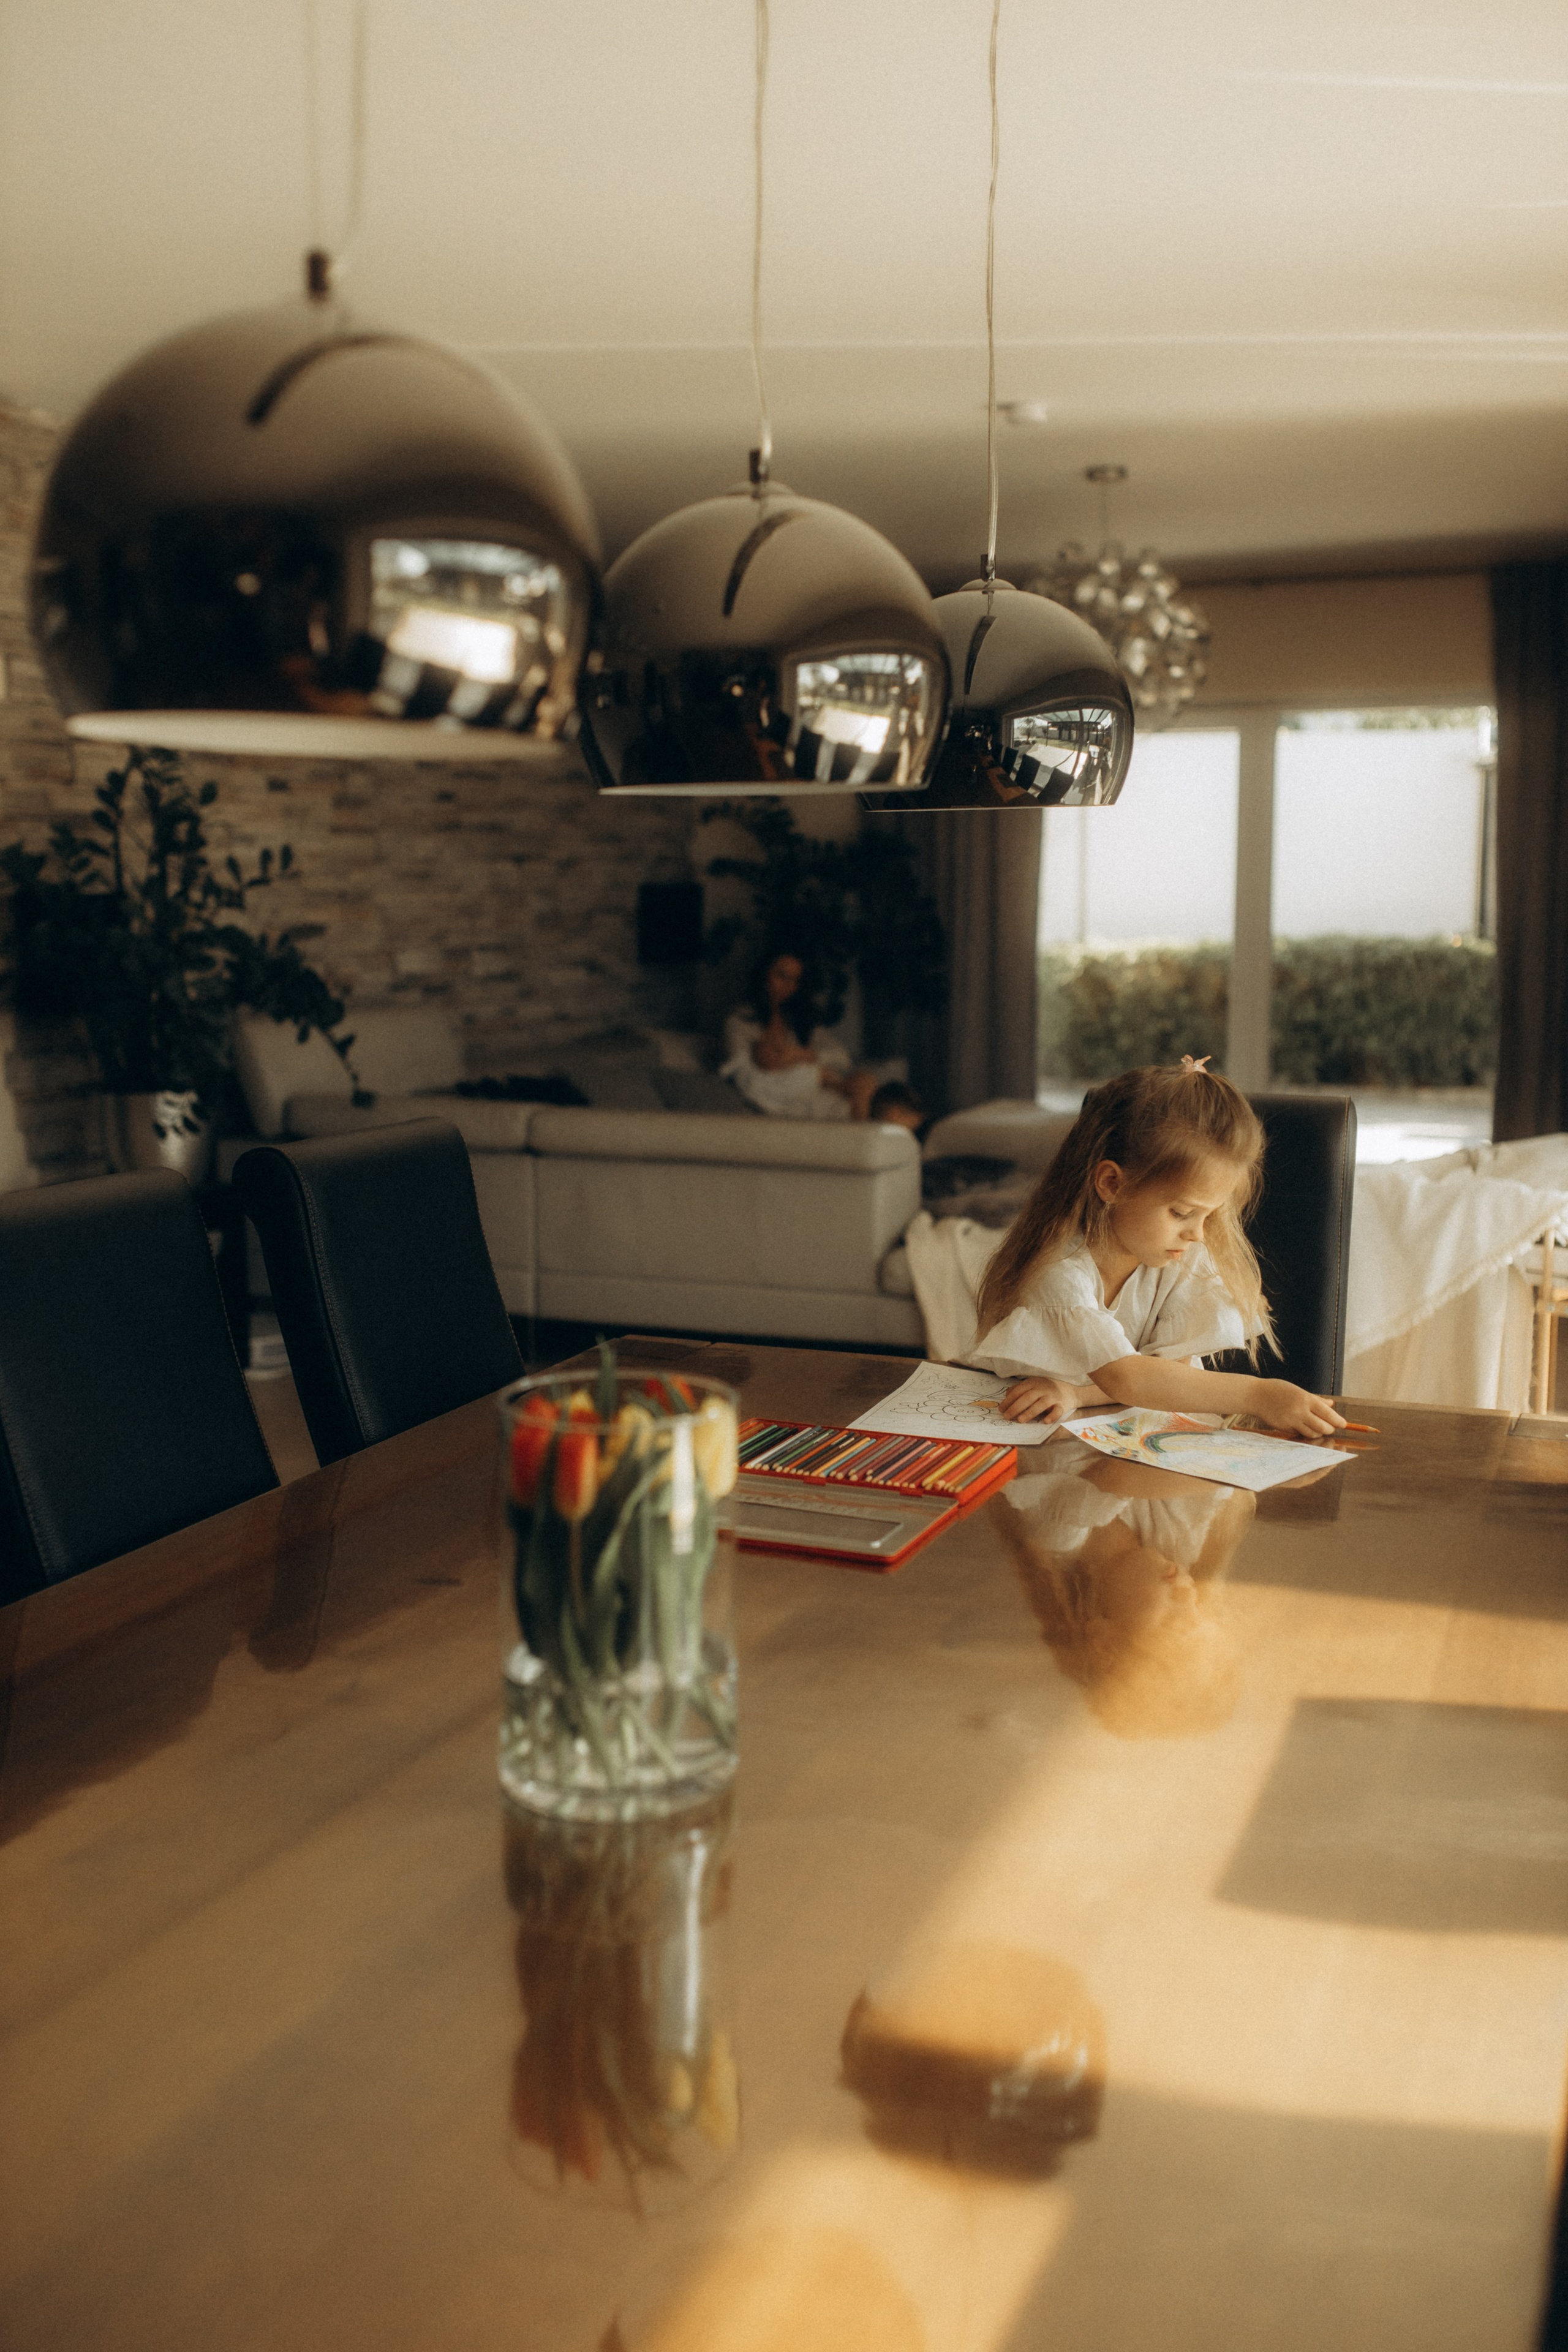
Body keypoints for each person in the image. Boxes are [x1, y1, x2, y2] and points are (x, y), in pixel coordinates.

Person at [968, 1057, 1346, 1441]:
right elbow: (1128, 1376)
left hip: (1131, 1431)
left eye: (1209, 1216)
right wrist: (1259, 1394)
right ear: (1113, 1183)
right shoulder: (1059, 1270)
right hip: (1050, 1440)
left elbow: (1167, 1376)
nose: (1198, 1234)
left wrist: (1076, 1395)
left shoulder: (1181, 1258)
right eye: (1182, 1212)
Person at [722, 949, 922, 1127]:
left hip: (816, 1082)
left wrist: (802, 1055)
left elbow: (841, 1058)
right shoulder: (740, 1023)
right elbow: (743, 1068)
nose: (788, 986)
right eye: (781, 976)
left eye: (795, 980)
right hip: (785, 1090)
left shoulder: (800, 1022)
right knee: (864, 1091)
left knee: (868, 1085)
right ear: (764, 975)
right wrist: (793, 1064)